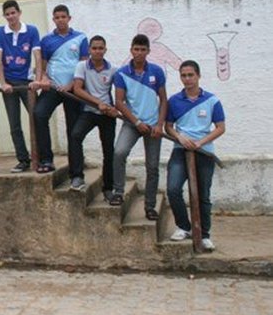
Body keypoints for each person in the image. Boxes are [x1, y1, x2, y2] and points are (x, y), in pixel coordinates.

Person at [165, 60, 225, 251]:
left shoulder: (212, 100)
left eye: (191, 75)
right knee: (173, 189)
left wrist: (201, 142)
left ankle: (205, 234)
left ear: (198, 76)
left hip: (204, 153)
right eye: (183, 75)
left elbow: (220, 128)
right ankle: (184, 226)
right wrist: (180, 138)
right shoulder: (174, 101)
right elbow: (168, 126)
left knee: (203, 195)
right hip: (180, 151)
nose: (187, 79)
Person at [112, 34, 167, 219]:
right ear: (131, 50)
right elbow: (119, 102)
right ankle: (118, 192)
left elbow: (164, 100)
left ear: (148, 51)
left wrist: (160, 124)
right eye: (136, 49)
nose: (139, 53)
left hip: (153, 127)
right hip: (132, 123)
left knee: (152, 166)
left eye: (143, 49)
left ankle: (150, 206)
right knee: (119, 152)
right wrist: (136, 122)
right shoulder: (121, 73)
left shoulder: (157, 72)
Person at [34, 4, 88, 173]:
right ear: (53, 20)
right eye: (57, 17)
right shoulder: (47, 40)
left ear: (69, 18)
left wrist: (71, 85)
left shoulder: (80, 38)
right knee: (39, 114)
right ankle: (46, 160)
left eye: (63, 17)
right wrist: (44, 79)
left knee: (73, 129)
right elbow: (42, 65)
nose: (60, 20)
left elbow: (84, 64)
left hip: (73, 89)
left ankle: (76, 168)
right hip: (53, 88)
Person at [0, 0, 42, 173]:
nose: (11, 16)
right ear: (4, 16)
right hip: (10, 84)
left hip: (27, 82)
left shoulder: (32, 31)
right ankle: (23, 159)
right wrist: (3, 82)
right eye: (7, 14)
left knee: (37, 119)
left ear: (19, 12)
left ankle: (41, 157)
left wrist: (37, 80)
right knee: (14, 123)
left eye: (13, 13)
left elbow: (37, 56)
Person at [68, 35, 118, 194]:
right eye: (94, 48)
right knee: (75, 136)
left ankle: (108, 188)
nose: (97, 51)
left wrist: (114, 109)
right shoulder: (82, 66)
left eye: (100, 48)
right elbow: (77, 89)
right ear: (89, 50)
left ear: (105, 50)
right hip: (89, 111)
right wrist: (98, 103)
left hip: (107, 115)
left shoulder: (113, 69)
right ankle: (77, 176)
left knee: (109, 150)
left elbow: (122, 93)